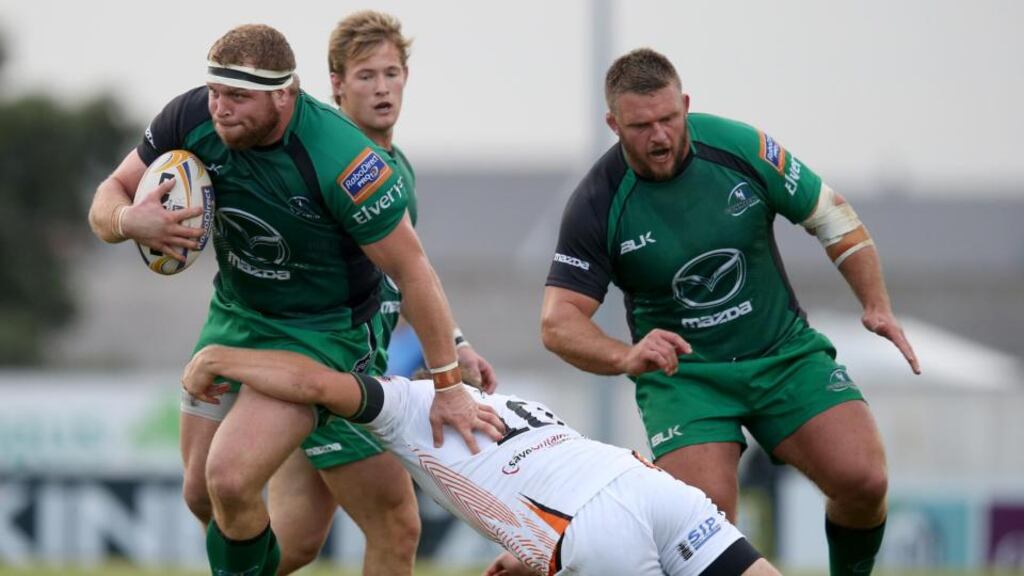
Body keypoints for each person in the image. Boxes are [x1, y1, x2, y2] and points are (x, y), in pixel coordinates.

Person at [87, 24, 503, 576]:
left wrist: (449, 379)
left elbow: (412, 271)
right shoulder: (189, 118)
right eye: (215, 92)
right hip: (235, 314)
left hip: (321, 336)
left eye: (237, 97)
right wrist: (127, 219)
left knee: (237, 480)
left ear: (285, 94)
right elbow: (108, 197)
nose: (220, 109)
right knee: (207, 498)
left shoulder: (345, 160)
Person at [541, 48, 921, 576]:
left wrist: (876, 305)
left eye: (670, 119)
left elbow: (831, 215)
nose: (660, 137)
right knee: (701, 532)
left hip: (783, 354)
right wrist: (626, 356)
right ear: (614, 124)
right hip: (686, 378)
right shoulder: (597, 201)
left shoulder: (741, 147)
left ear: (686, 105)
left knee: (864, 480)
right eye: (641, 125)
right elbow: (558, 322)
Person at [182, 344, 783, 576]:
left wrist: (219, 358)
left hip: (594, 530)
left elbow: (314, 384)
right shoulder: (513, 402)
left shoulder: (404, 403)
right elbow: (546, 475)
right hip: (652, 486)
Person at [266, 11, 498, 574]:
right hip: (332, 366)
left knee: (291, 543)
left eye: (391, 73)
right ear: (337, 84)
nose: (381, 88)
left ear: (406, 77)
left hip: (348, 370)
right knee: (397, 522)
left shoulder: (396, 169)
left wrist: (456, 343)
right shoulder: (327, 164)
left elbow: (408, 276)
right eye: (365, 75)